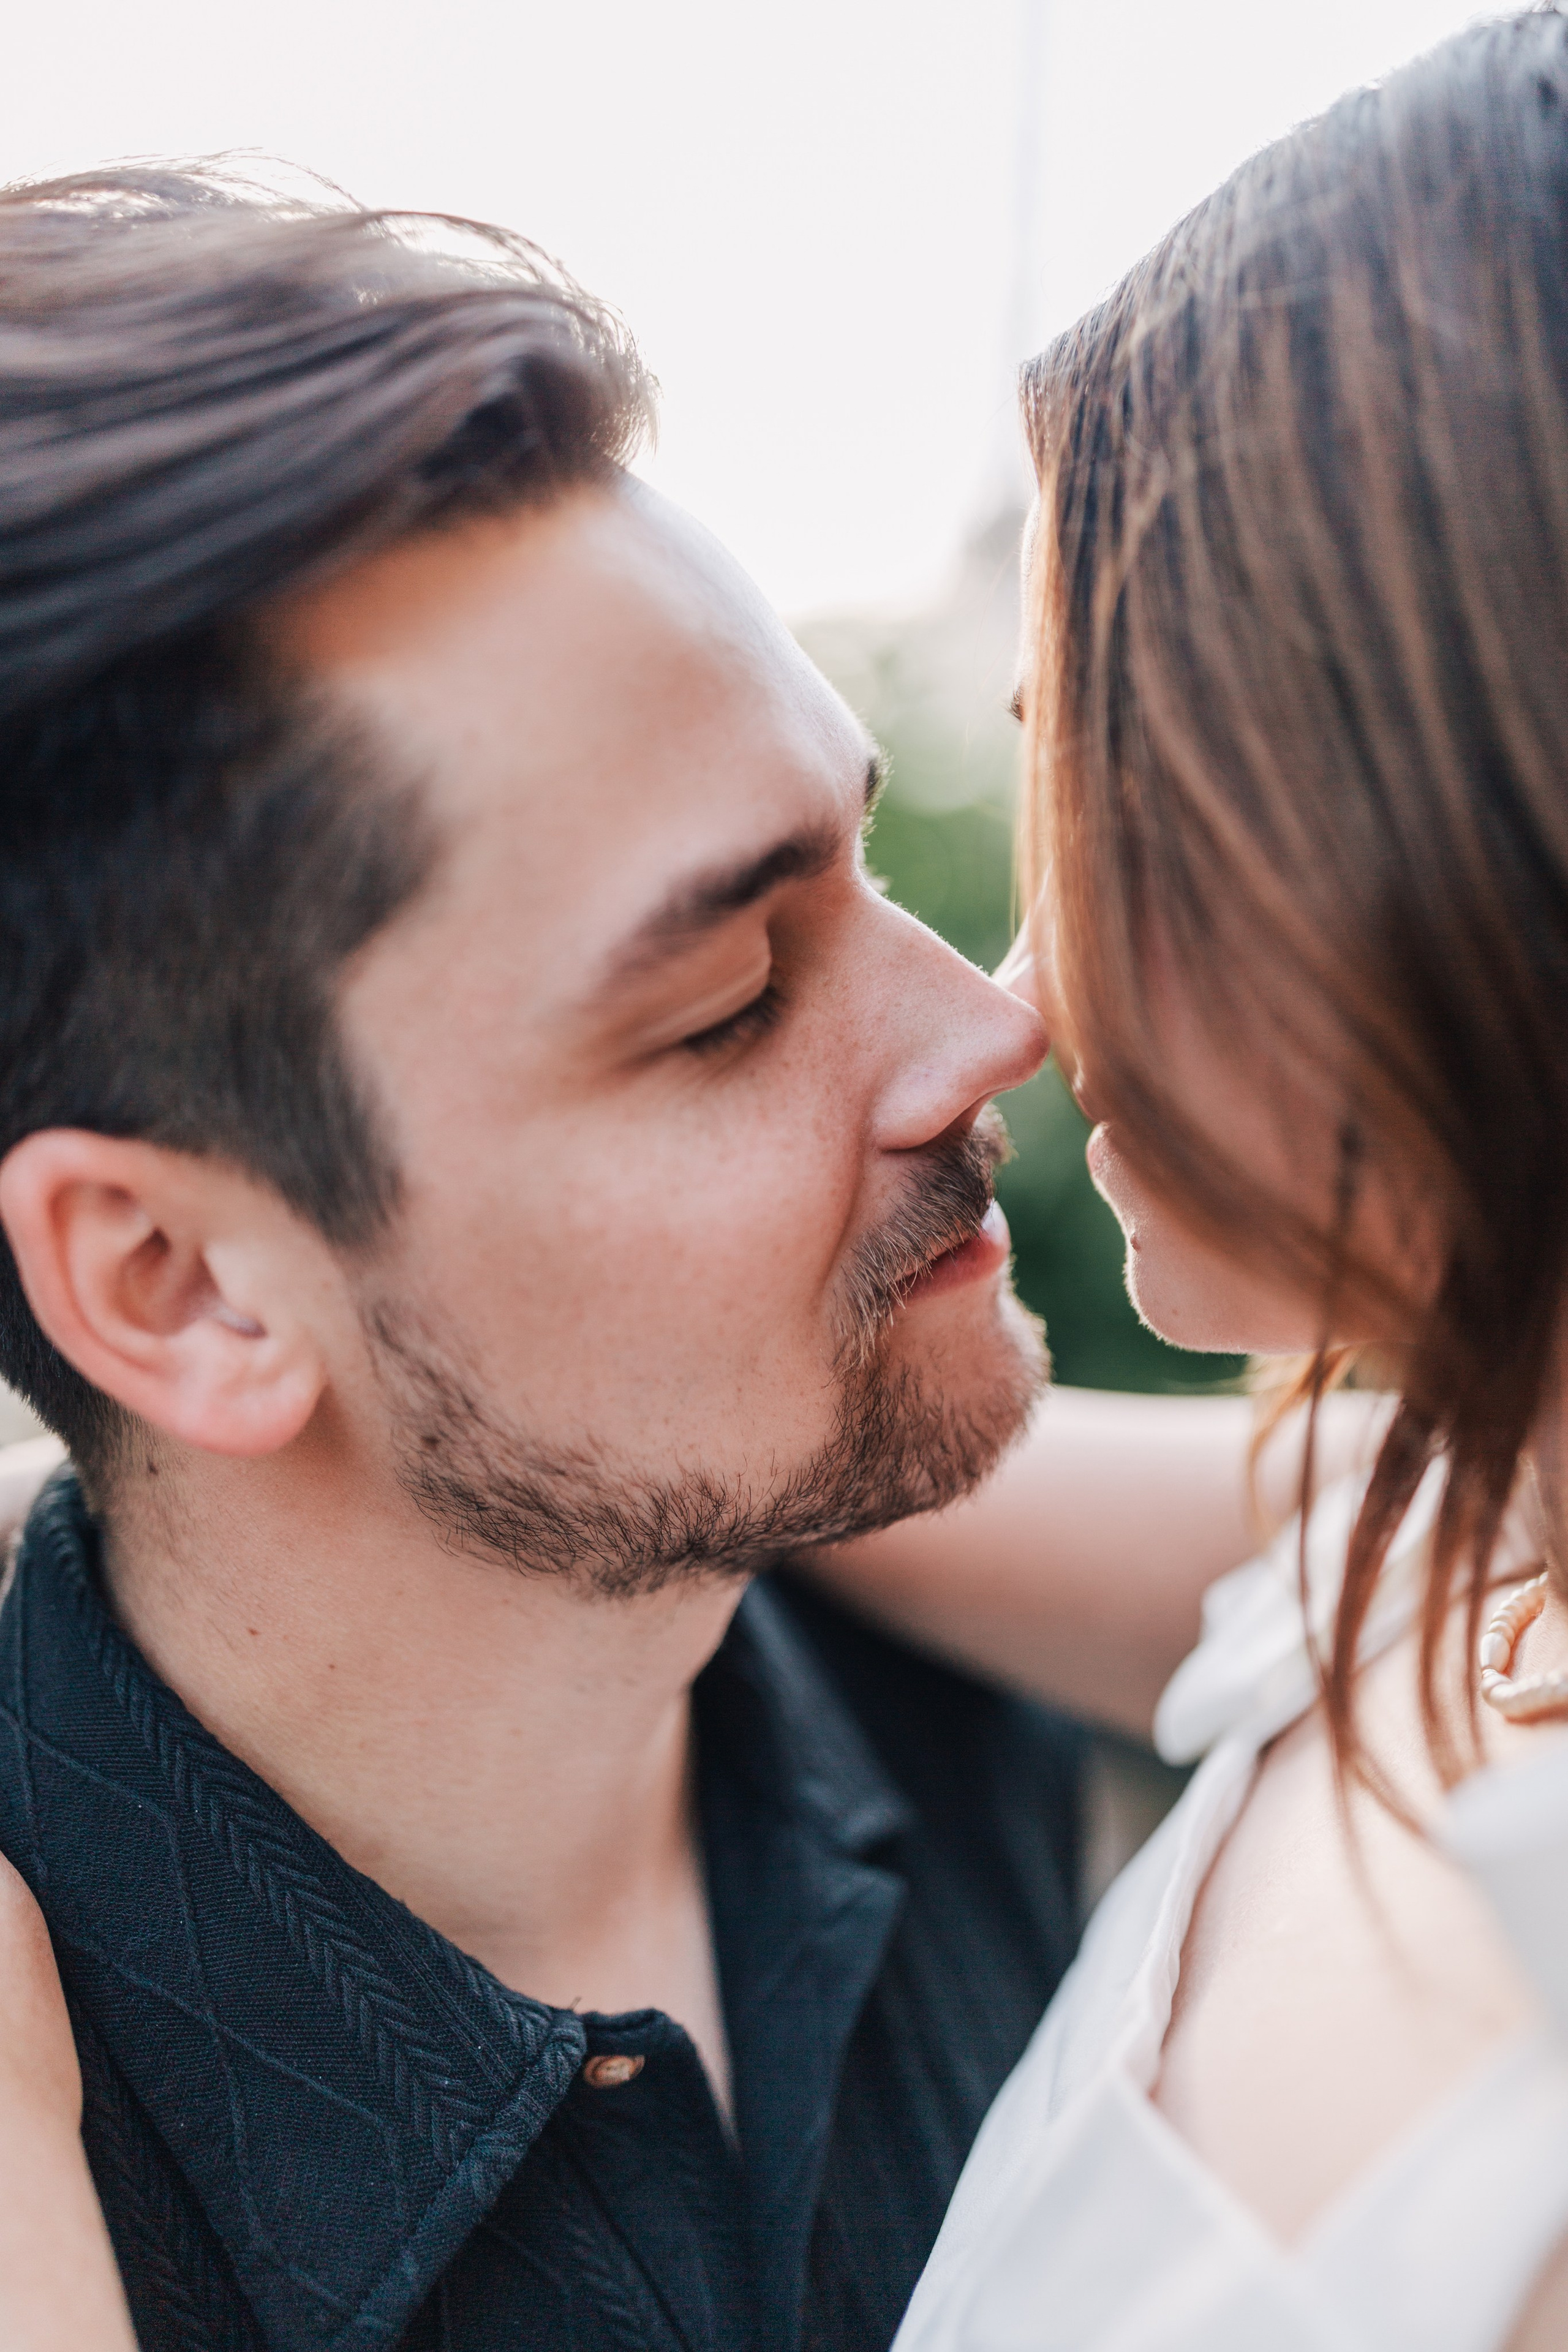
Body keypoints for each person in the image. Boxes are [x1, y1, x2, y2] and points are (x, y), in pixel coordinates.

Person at [0, 160, 1374, 2352]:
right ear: (182, 1282)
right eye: (728, 1003)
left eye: (864, 866)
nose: (990, 1030)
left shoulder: (936, 1631)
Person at [816, 11, 1568, 2348]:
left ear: (1441, 795)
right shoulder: (1433, 1527)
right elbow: (810, 1452)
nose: (1018, 999)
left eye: (1101, 801)